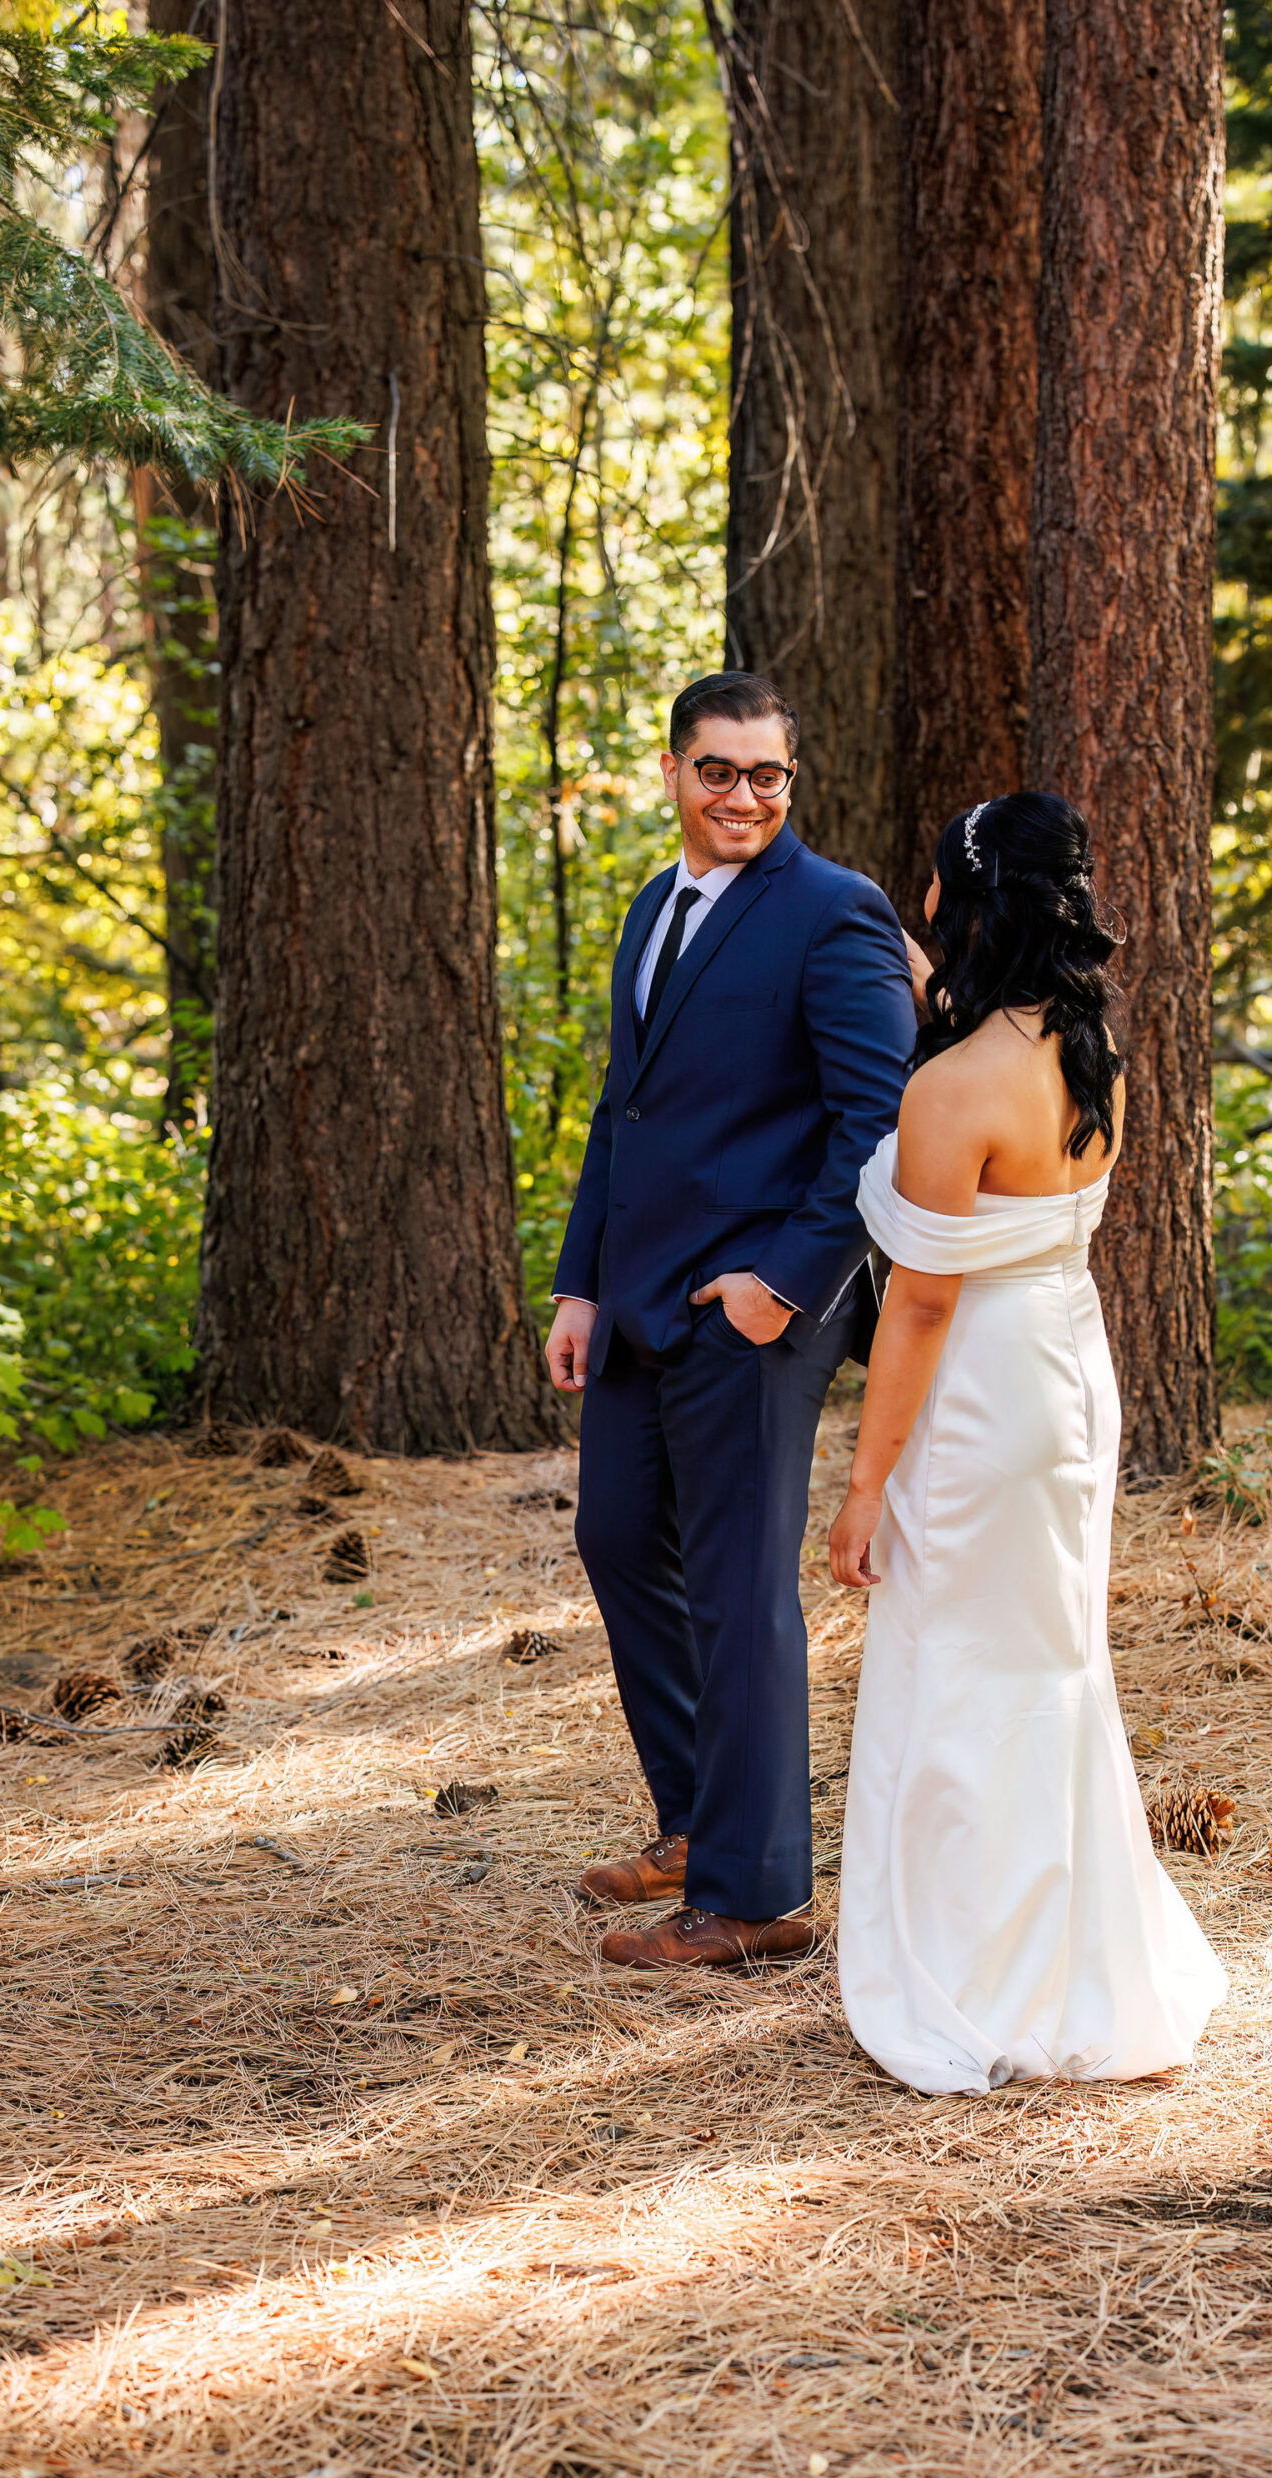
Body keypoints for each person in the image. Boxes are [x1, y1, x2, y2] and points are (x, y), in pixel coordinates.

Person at [829, 792, 1228, 2093]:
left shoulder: (952, 1090)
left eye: (934, 888)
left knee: (960, 1666)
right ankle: (1073, 1957)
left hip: (980, 1397)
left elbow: (921, 1305)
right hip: (1071, 1370)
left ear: (966, 901)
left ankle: (982, 1972)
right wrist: (913, 965)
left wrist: (863, 1481)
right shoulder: (1090, 1047)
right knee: (1051, 1665)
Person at [545, 671, 916, 1970]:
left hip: (757, 1311)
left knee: (742, 1587)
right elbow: (622, 1111)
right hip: (641, 1296)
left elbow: (878, 1124)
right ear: (673, 773)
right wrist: (579, 1280)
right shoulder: (656, 906)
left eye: (768, 774)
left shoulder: (835, 914)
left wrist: (785, 1282)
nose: (744, 794)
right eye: (719, 770)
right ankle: (698, 1821)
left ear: (789, 783)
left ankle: (756, 1898)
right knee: (613, 1533)